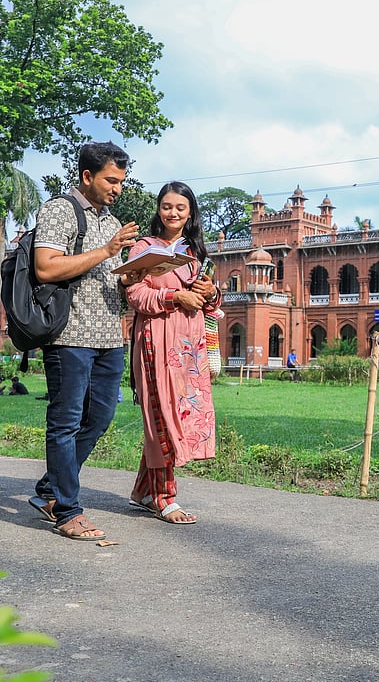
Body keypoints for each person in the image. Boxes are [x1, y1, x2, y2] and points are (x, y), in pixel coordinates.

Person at [27, 141, 139, 541]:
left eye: (121, 182)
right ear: (87, 176)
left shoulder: (111, 222)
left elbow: (106, 276)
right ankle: (67, 510)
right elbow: (45, 268)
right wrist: (106, 250)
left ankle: (49, 489)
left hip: (109, 337)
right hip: (69, 336)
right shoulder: (60, 210)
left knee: (100, 418)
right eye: (112, 180)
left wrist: (131, 276)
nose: (118, 189)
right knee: (65, 421)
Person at [123, 181, 219, 525]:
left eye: (180, 207)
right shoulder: (144, 249)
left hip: (190, 347)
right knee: (162, 415)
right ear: (158, 210)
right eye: (167, 206)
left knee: (177, 415)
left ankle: (145, 492)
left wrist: (210, 291)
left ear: (190, 212)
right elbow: (135, 295)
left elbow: (211, 303)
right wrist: (174, 297)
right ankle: (165, 498)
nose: (173, 213)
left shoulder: (195, 253)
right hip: (156, 340)